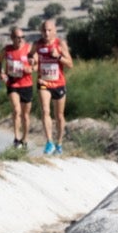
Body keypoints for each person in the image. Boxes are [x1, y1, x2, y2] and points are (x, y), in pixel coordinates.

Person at [32, 18, 74, 155]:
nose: (47, 33)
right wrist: (32, 59)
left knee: (59, 115)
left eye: (49, 30)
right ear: (40, 31)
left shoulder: (60, 44)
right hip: (44, 82)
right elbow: (30, 57)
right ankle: (49, 142)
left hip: (58, 83)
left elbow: (70, 64)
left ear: (55, 31)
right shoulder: (37, 44)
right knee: (45, 111)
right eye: (44, 30)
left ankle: (59, 143)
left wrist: (58, 57)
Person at [1, 25, 35, 149]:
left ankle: (24, 139)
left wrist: (30, 69)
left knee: (25, 115)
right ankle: (16, 138)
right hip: (13, 83)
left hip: (26, 84)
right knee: (16, 110)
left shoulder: (29, 49)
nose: (20, 40)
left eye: (22, 37)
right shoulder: (7, 50)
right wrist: (2, 73)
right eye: (17, 37)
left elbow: (36, 66)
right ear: (12, 38)